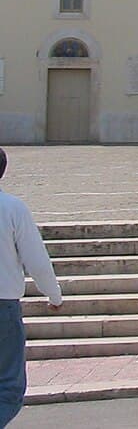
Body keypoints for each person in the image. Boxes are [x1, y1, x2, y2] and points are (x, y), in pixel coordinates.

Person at [0, 148, 62, 427]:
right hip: (3, 305)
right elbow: (36, 259)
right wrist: (54, 294)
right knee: (8, 387)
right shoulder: (12, 208)